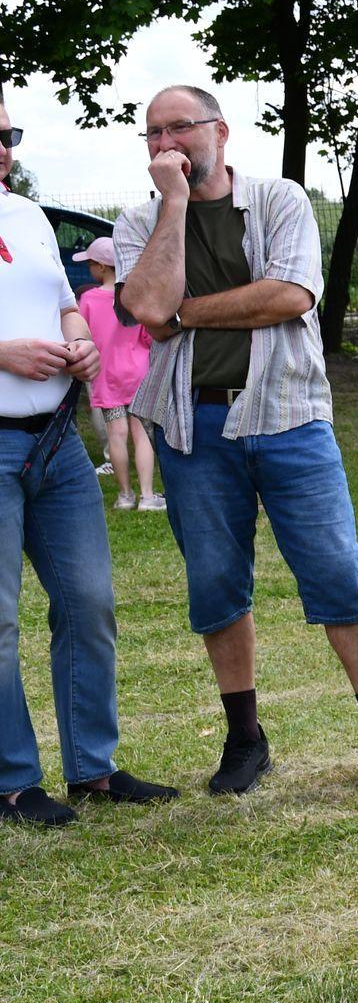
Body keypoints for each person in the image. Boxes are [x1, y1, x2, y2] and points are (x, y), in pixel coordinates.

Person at [113, 86, 358, 793]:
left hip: (290, 415)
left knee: (336, 575)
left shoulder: (279, 200)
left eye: (180, 126)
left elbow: (290, 295)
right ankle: (245, 740)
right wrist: (174, 205)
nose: (166, 142)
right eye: (152, 133)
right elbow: (146, 308)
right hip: (192, 425)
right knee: (216, 583)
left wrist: (186, 314)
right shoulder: (141, 220)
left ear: (221, 131)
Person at [2, 102, 178, 826]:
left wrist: (80, 342)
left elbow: (66, 306)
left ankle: (92, 768)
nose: (2, 148)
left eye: (7, 135)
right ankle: (13, 781)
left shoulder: (27, 216)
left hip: (56, 440)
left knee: (89, 603)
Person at [72, 237, 160, 511]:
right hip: (137, 373)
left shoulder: (88, 300)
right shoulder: (133, 297)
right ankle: (148, 496)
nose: (89, 268)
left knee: (116, 434)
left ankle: (125, 496)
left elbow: (82, 335)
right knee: (142, 433)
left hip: (106, 375)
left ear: (101, 266)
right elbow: (148, 337)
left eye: (90, 263)